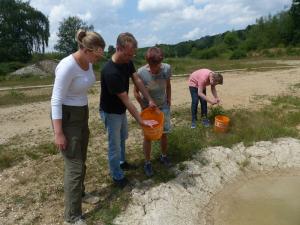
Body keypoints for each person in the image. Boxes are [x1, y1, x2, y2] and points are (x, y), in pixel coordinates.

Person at [51, 29, 105, 225]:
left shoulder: (88, 62)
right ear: (86, 50)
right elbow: (56, 100)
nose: (100, 58)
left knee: (81, 158)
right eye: (98, 54)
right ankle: (72, 217)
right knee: (74, 165)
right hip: (66, 117)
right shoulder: (67, 66)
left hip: (81, 114)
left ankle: (80, 194)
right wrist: (59, 133)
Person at [99, 32, 156, 187]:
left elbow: (136, 79)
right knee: (114, 145)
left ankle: (122, 162)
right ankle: (117, 176)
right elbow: (126, 99)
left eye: (132, 55)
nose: (130, 58)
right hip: (111, 112)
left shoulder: (127, 60)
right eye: (128, 55)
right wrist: (141, 121)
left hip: (120, 109)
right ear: (118, 48)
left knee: (123, 137)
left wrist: (149, 99)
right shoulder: (110, 72)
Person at [134, 47, 172, 177]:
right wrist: (143, 106)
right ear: (148, 62)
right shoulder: (141, 72)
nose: (155, 69)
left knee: (164, 133)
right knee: (148, 137)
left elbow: (168, 85)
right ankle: (147, 162)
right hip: (148, 110)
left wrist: (169, 99)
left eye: (158, 65)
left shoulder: (167, 68)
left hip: (163, 107)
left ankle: (163, 156)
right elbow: (135, 93)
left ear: (161, 61)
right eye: (152, 66)